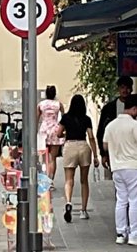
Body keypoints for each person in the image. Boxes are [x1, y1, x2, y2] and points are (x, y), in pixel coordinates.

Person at [57, 93, 100, 222]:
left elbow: (58, 133)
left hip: (70, 146)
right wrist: (95, 155)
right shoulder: (86, 119)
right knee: (84, 181)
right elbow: (91, 136)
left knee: (69, 180)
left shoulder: (65, 118)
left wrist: (66, 133)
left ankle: (68, 202)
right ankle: (83, 210)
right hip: (83, 146)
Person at [102, 93, 137, 245]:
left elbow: (105, 145)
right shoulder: (134, 125)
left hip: (116, 168)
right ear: (134, 109)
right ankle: (134, 235)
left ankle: (120, 233)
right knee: (134, 200)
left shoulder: (111, 125)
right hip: (133, 166)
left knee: (121, 200)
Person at [98, 77, 135, 168]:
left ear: (131, 89)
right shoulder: (108, 108)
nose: (125, 90)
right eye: (122, 87)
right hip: (114, 153)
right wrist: (103, 154)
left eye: (128, 88)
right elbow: (101, 131)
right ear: (118, 89)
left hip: (133, 153)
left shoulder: (135, 107)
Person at [37, 85, 65, 186]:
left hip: (44, 130)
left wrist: (35, 132)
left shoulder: (41, 105)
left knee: (44, 158)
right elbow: (64, 118)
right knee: (53, 158)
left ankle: (44, 178)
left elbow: (36, 119)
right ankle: (50, 180)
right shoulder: (59, 104)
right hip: (54, 130)